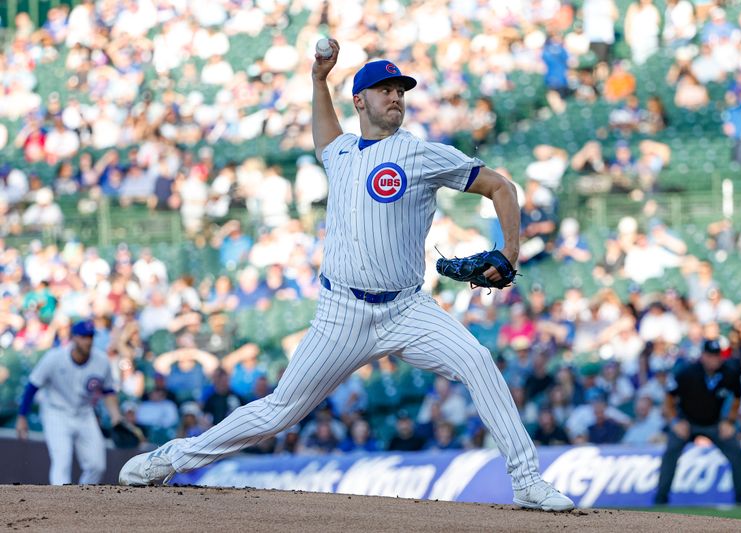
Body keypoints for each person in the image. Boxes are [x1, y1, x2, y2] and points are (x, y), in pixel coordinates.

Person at [120, 40, 574, 512]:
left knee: (479, 362)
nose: (395, 96)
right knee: (278, 411)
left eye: (400, 89)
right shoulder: (338, 154)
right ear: (360, 100)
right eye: (383, 89)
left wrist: (509, 250)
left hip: (407, 308)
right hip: (341, 313)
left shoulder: (418, 155)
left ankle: (527, 481)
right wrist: (318, 80)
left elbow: (500, 186)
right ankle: (169, 459)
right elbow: (325, 134)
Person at [16, 320, 122, 485]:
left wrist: (116, 416)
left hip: (84, 413)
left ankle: (81, 499)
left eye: (91, 336)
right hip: (56, 412)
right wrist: (22, 416)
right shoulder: (55, 357)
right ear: (73, 338)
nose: (88, 340)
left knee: (97, 466)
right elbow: (32, 385)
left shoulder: (101, 361)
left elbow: (108, 391)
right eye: (84, 337)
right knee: (62, 461)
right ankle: (60, 506)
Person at [654, 339, 741, 505]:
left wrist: (730, 421)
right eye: (710, 356)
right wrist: (675, 421)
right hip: (687, 422)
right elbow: (669, 398)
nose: (714, 360)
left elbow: (737, 398)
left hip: (714, 423)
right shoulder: (686, 373)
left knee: (737, 452)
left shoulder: (730, 373)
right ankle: (660, 499)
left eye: (717, 356)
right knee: (670, 452)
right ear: (703, 356)